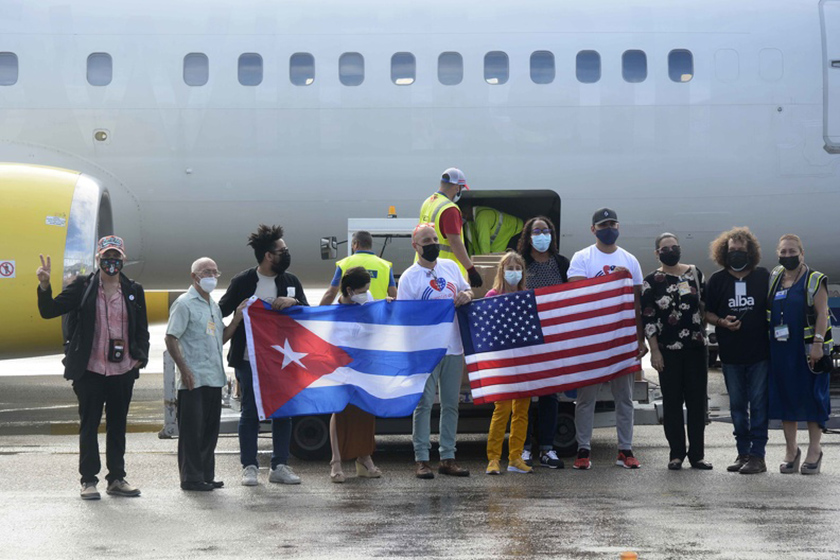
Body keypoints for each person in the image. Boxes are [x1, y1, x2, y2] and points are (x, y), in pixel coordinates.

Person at [36, 236, 149, 500]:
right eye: (107, 257)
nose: (112, 261)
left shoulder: (133, 289)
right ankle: (88, 480)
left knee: (118, 425)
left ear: (123, 258)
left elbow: (140, 328)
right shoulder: (83, 287)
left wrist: (140, 357)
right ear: (98, 259)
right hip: (90, 369)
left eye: (116, 256)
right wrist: (44, 285)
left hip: (122, 369)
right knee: (89, 425)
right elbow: (49, 310)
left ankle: (117, 478)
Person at [219, 224, 307, 487]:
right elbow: (220, 310)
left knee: (283, 412)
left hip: (283, 359)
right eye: (283, 250)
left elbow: (308, 316)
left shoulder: (291, 281)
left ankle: (279, 465)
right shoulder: (243, 281)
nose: (287, 254)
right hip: (249, 360)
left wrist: (295, 303)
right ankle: (249, 466)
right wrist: (238, 313)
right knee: (250, 412)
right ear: (269, 255)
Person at [567, 208, 648, 470]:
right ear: (593, 229)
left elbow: (637, 303)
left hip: (621, 339)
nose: (608, 228)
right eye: (603, 224)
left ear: (619, 226)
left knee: (623, 397)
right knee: (586, 398)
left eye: (612, 223)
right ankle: (583, 449)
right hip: (591, 339)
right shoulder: (582, 257)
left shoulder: (630, 260)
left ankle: (625, 449)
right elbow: (579, 294)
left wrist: (640, 339)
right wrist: (614, 280)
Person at [398, 223, 474, 478]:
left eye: (434, 239)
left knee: (451, 404)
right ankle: (421, 459)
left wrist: (467, 295)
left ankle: (447, 457)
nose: (432, 244)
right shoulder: (409, 277)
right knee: (424, 404)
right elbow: (404, 315)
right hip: (425, 350)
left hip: (453, 345)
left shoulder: (451, 267)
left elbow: (467, 289)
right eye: (426, 241)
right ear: (415, 246)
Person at [166, 258, 247, 491]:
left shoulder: (212, 304)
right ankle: (191, 478)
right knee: (192, 432)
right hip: (193, 379)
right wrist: (184, 370)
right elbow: (171, 338)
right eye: (206, 272)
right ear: (194, 276)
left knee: (209, 431)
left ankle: (206, 475)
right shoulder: (184, 304)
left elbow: (219, 338)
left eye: (214, 272)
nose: (211, 276)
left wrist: (236, 320)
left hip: (213, 377)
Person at [641, 233, 712, 470]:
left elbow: (705, 307)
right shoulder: (651, 280)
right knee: (672, 403)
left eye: (674, 247)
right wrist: (654, 351)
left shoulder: (694, 273)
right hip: (667, 351)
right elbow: (648, 317)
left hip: (695, 348)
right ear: (657, 252)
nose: (670, 251)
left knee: (696, 402)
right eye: (665, 248)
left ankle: (697, 455)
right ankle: (676, 454)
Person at [705, 227, 770, 474]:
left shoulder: (763, 276)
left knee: (760, 406)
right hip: (731, 356)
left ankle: (758, 456)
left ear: (750, 252)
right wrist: (722, 322)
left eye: (741, 250)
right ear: (724, 252)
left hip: (760, 354)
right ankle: (743, 453)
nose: (736, 254)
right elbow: (707, 311)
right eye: (732, 250)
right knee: (738, 408)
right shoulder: (718, 280)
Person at [767, 234, 832, 475]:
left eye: (792, 251)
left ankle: (815, 449)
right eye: (783, 252)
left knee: (812, 397)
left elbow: (823, 314)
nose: (787, 256)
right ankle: (791, 450)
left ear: (802, 253)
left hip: (806, 351)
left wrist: (817, 343)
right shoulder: (775, 276)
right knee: (786, 398)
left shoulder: (814, 279)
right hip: (781, 350)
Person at [516, 216, 569, 469]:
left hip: (553, 338)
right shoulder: (521, 263)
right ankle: (524, 447)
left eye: (545, 230)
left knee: (550, 395)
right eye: (536, 231)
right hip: (526, 337)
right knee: (524, 395)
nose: (541, 235)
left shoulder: (561, 263)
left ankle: (547, 448)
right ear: (528, 236)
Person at [328, 267, 386, 483]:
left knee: (365, 409)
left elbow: (375, 321)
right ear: (350, 291)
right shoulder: (334, 314)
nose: (367, 293)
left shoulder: (366, 298)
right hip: (342, 367)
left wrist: (386, 305)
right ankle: (336, 461)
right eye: (362, 290)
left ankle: (364, 458)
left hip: (365, 364)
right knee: (339, 410)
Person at [484, 251, 534, 475]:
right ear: (501, 271)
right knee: (501, 409)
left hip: (523, 361)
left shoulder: (527, 295)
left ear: (522, 272)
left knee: (522, 411)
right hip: (502, 362)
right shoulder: (492, 295)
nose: (514, 272)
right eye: (509, 268)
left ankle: (515, 457)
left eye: (517, 268)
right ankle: (493, 458)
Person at [417, 167, 483, 287]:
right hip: (445, 274)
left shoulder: (428, 202)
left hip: (423, 269)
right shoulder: (450, 209)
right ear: (457, 187)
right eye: (461, 188)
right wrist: (471, 270)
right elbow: (455, 242)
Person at [318, 230, 397, 305]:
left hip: (350, 315)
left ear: (356, 244)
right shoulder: (385, 266)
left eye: (352, 244)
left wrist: (316, 313)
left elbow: (330, 294)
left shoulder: (343, 264)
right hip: (375, 316)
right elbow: (394, 296)